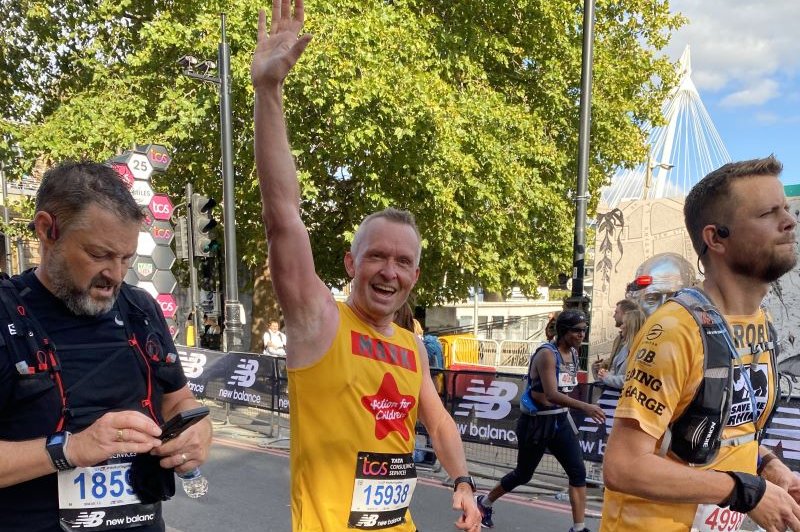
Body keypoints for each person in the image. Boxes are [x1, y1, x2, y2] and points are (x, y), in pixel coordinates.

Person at [251, 2, 480, 530]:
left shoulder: (411, 346)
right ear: (351, 262)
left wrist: (464, 482)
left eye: (403, 261)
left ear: (415, 276)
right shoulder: (319, 320)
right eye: (376, 255)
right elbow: (283, 217)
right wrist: (268, 90)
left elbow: (438, 421)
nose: (388, 272)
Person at [0, 161, 213, 531]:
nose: (114, 275)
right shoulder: (6, 315)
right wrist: (70, 449)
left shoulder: (141, 310)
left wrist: (197, 430)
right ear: (48, 230)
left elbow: (178, 400)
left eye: (126, 258)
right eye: (99, 255)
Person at [601, 156, 800, 531]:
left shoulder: (762, 324)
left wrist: (768, 467)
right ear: (716, 238)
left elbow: (717, 434)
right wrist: (744, 492)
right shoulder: (675, 330)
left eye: (786, 210)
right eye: (767, 213)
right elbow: (623, 466)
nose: (788, 221)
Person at [476, 310, 606, 531]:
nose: (581, 335)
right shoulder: (547, 354)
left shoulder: (574, 354)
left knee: (578, 473)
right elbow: (552, 394)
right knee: (523, 474)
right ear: (563, 331)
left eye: (584, 330)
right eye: (576, 330)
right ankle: (484, 502)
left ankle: (578, 527)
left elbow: (564, 390)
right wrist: (585, 407)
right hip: (536, 423)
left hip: (560, 421)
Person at [596, 308, 646, 390]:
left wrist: (607, 377)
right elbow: (615, 371)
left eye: (623, 323)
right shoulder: (626, 346)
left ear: (631, 326)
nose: (621, 327)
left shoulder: (642, 350)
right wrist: (605, 374)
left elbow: (633, 380)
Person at [591, 299, 639, 378]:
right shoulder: (619, 338)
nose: (613, 316)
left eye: (616, 312)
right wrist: (603, 364)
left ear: (625, 314)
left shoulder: (636, 340)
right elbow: (616, 361)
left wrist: (608, 377)